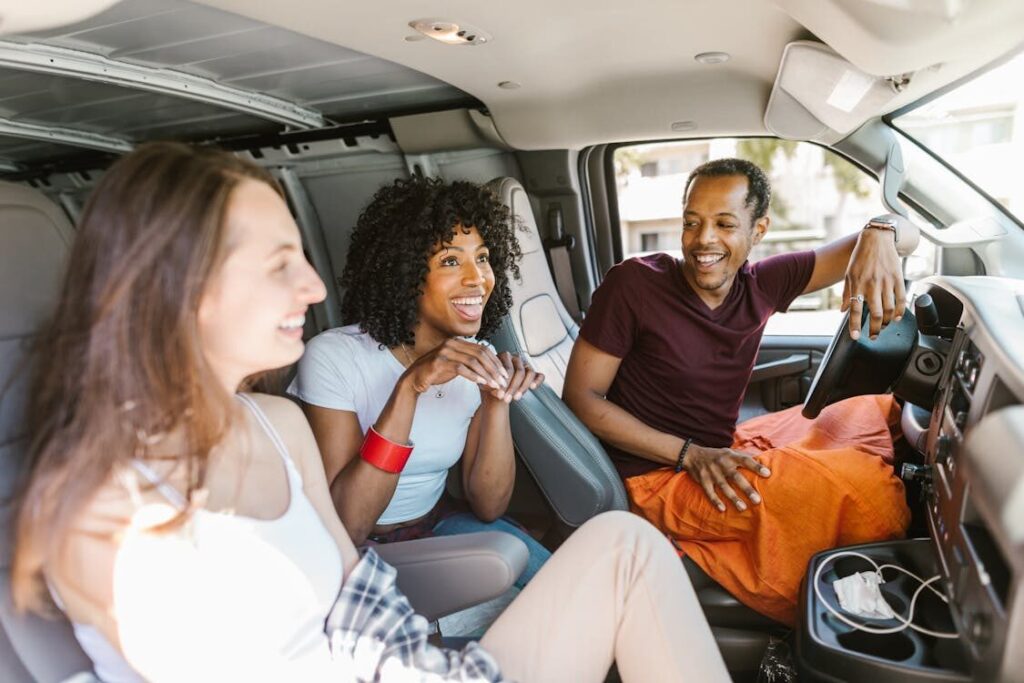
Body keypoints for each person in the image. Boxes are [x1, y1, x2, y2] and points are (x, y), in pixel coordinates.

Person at [9, 142, 731, 683]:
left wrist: (493, 406)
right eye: (276, 262)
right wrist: (409, 390)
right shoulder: (105, 512)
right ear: (173, 282)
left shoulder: (275, 423)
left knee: (626, 545)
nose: (313, 283)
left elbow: (366, 601)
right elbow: (356, 535)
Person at [564, 157, 914, 625]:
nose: (703, 240)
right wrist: (689, 454)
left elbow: (908, 232)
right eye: (692, 223)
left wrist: (878, 234)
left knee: (873, 411)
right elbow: (582, 399)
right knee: (867, 492)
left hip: (719, 449)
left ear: (759, 230)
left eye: (725, 224)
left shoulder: (764, 283)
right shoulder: (633, 284)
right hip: (657, 478)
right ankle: (861, 619)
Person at [287, 177, 550, 588]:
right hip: (359, 551)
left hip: (440, 526)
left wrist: (496, 401)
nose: (477, 278)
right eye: (450, 261)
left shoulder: (474, 358)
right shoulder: (334, 357)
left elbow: (488, 506)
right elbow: (349, 523)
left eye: (482, 258)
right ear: (406, 273)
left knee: (564, 585)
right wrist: (410, 386)